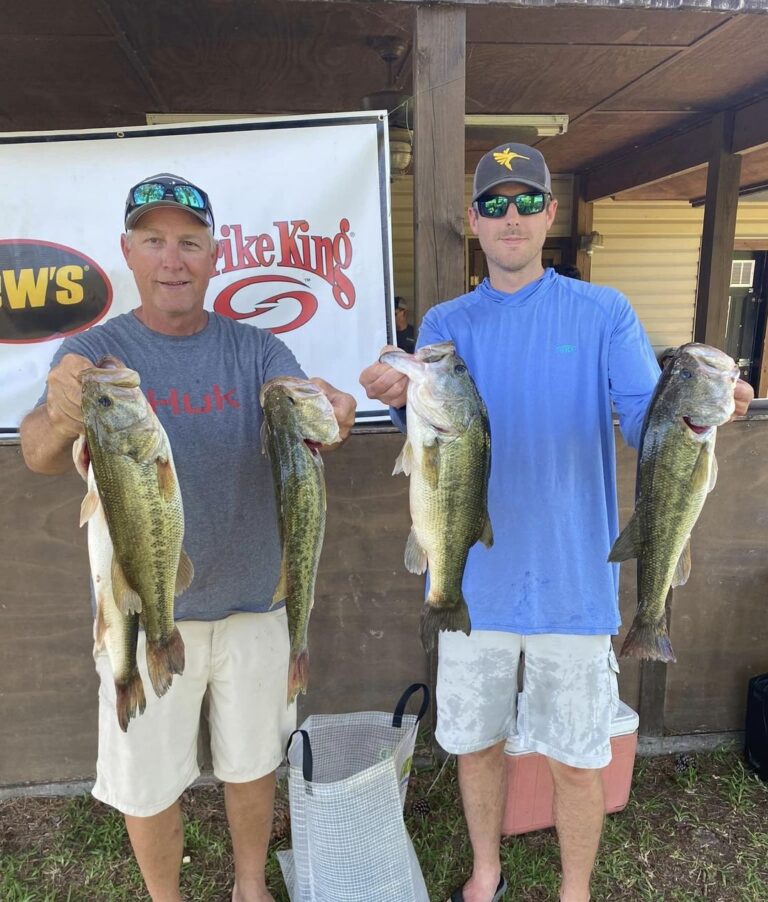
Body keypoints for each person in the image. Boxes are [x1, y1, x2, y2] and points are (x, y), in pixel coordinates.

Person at [359, 143, 754, 902]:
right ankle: (486, 869)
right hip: (476, 582)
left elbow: (646, 420)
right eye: (496, 204)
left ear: (550, 214)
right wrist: (393, 387)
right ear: (474, 220)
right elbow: (428, 420)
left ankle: (574, 892)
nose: (513, 217)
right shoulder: (446, 322)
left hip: (576, 583)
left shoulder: (602, 311)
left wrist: (702, 411)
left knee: (579, 755)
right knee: (476, 745)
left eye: (528, 202)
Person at [20, 172, 356, 902]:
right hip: (142, 615)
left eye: (190, 243)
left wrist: (333, 407)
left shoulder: (257, 348)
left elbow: (310, 416)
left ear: (213, 256)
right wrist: (60, 409)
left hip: (255, 608)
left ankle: (247, 886)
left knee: (252, 764)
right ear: (127, 253)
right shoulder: (95, 351)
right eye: (154, 241)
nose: (173, 258)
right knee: (147, 783)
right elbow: (39, 453)